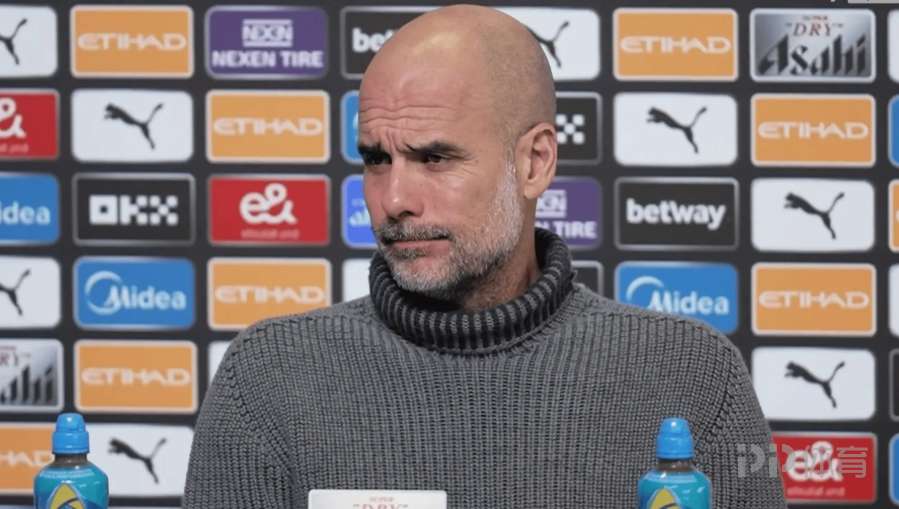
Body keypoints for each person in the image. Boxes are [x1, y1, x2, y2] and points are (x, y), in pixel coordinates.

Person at [184, 5, 787, 508]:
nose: (394, 199)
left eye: (435, 159)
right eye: (376, 160)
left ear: (534, 163)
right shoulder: (269, 380)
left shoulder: (691, 376)